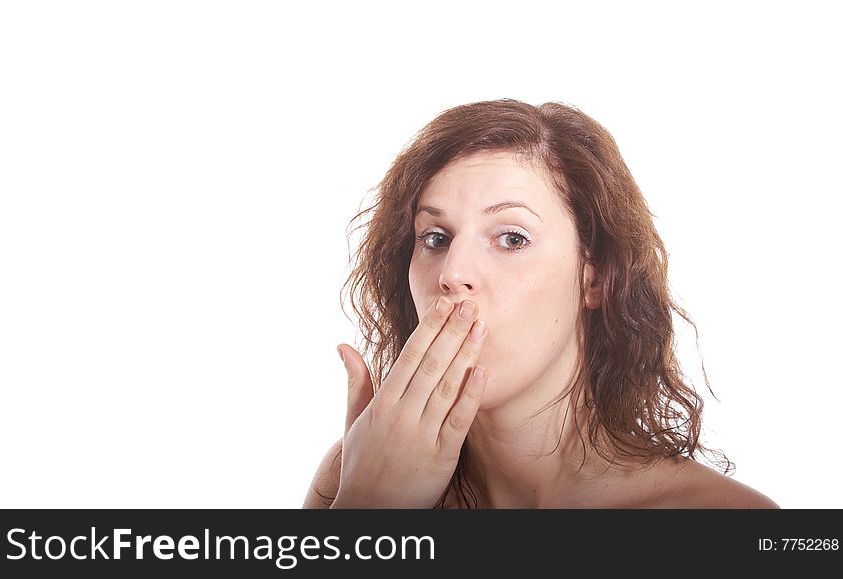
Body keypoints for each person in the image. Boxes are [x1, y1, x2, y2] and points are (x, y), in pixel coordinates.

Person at [303, 99, 779, 509]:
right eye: (435, 237)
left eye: (511, 238)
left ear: (594, 277)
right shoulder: (352, 478)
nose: (451, 275)